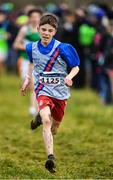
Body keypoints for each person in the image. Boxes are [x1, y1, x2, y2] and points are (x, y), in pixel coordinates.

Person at [21, 13, 80, 173]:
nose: (46, 33)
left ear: (55, 32)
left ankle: (40, 118)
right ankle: (50, 158)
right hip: (43, 89)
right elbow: (32, 63)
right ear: (38, 29)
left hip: (60, 92)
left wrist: (69, 76)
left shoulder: (64, 48)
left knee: (54, 128)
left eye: (50, 30)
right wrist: (27, 78)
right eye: (44, 29)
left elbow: (76, 67)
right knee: (47, 121)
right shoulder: (31, 47)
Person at [13, 8, 43, 116]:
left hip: (39, 61)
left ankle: (34, 108)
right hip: (25, 60)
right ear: (29, 18)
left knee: (36, 85)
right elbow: (15, 44)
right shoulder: (25, 30)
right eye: (33, 17)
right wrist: (28, 47)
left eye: (37, 16)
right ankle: (34, 107)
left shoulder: (43, 30)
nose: (35, 19)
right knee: (29, 84)